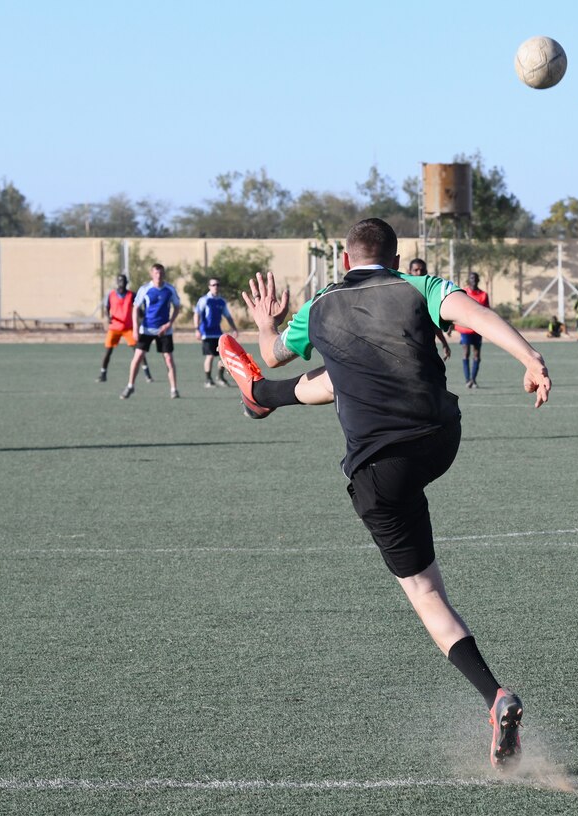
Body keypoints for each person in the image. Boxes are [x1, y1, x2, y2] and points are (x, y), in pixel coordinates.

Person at [217, 218, 551, 770]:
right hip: (441, 438)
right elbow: (478, 316)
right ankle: (262, 398)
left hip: (380, 469)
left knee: (425, 594)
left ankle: (495, 696)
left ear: (344, 261)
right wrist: (530, 359)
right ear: (396, 260)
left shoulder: (323, 303)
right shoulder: (417, 286)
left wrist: (265, 323)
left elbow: (275, 351)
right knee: (351, 369)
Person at [121, 263, 181, 400]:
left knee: (169, 359)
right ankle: (130, 386)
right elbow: (135, 308)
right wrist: (136, 329)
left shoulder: (169, 290)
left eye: (160, 273)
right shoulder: (145, 289)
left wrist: (169, 324)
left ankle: (174, 389)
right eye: (156, 273)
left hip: (164, 331)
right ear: (151, 274)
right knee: (137, 358)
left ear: (164, 274)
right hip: (147, 329)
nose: (158, 276)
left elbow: (177, 307)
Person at [97, 274, 152, 384]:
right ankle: (103, 374)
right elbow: (107, 308)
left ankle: (148, 375)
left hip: (128, 328)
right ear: (117, 282)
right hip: (114, 327)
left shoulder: (131, 295)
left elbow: (138, 307)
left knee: (138, 350)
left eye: (124, 281)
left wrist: (142, 316)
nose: (121, 283)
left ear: (127, 282)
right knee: (108, 351)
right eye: (119, 281)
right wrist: (108, 317)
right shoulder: (111, 295)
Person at [193, 277, 238, 387]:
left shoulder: (221, 301)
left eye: (217, 284)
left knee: (223, 357)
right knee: (210, 356)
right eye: (213, 285)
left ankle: (220, 377)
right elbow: (197, 314)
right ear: (209, 287)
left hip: (218, 333)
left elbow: (228, 316)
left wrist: (234, 328)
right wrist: (196, 329)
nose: (216, 287)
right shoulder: (204, 300)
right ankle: (208, 379)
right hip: (206, 332)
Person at [406, 258, 450, 360]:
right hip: (407, 348)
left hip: (426, 346)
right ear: (409, 272)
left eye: (422, 270)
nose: (419, 273)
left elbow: (434, 323)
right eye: (416, 270)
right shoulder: (402, 291)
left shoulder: (429, 295)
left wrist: (444, 343)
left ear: (426, 272)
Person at [453, 272, 489, 388]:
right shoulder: (463, 293)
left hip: (478, 330)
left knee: (477, 354)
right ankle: (467, 379)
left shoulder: (483, 295)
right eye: (471, 278)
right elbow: (456, 309)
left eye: (475, 278)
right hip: (465, 329)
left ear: (478, 280)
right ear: (468, 280)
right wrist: (451, 325)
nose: (473, 280)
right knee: (466, 353)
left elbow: (486, 312)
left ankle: (473, 379)